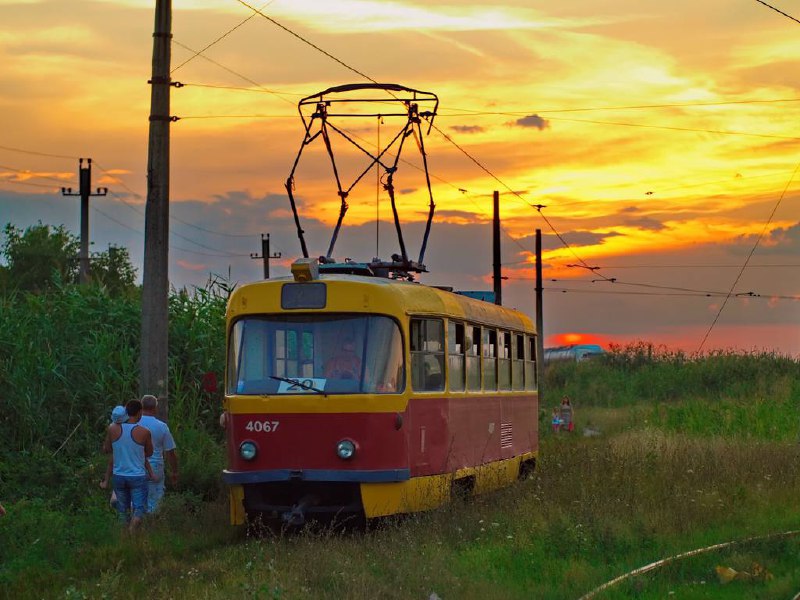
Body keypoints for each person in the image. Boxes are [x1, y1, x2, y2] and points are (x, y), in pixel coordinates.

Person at [102, 398, 153, 531]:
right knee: (139, 509)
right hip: (137, 476)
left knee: (122, 511)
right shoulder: (144, 431)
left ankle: (123, 538)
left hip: (119, 475)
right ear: (140, 412)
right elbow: (149, 453)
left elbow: (107, 449)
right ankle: (132, 530)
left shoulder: (112, 429)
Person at [139, 395, 178, 513]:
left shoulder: (133, 424)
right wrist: (175, 471)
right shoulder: (161, 426)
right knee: (154, 501)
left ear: (141, 407)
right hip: (156, 466)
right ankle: (152, 525)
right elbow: (170, 452)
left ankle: (135, 525)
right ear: (155, 408)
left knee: (137, 498)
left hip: (137, 465)